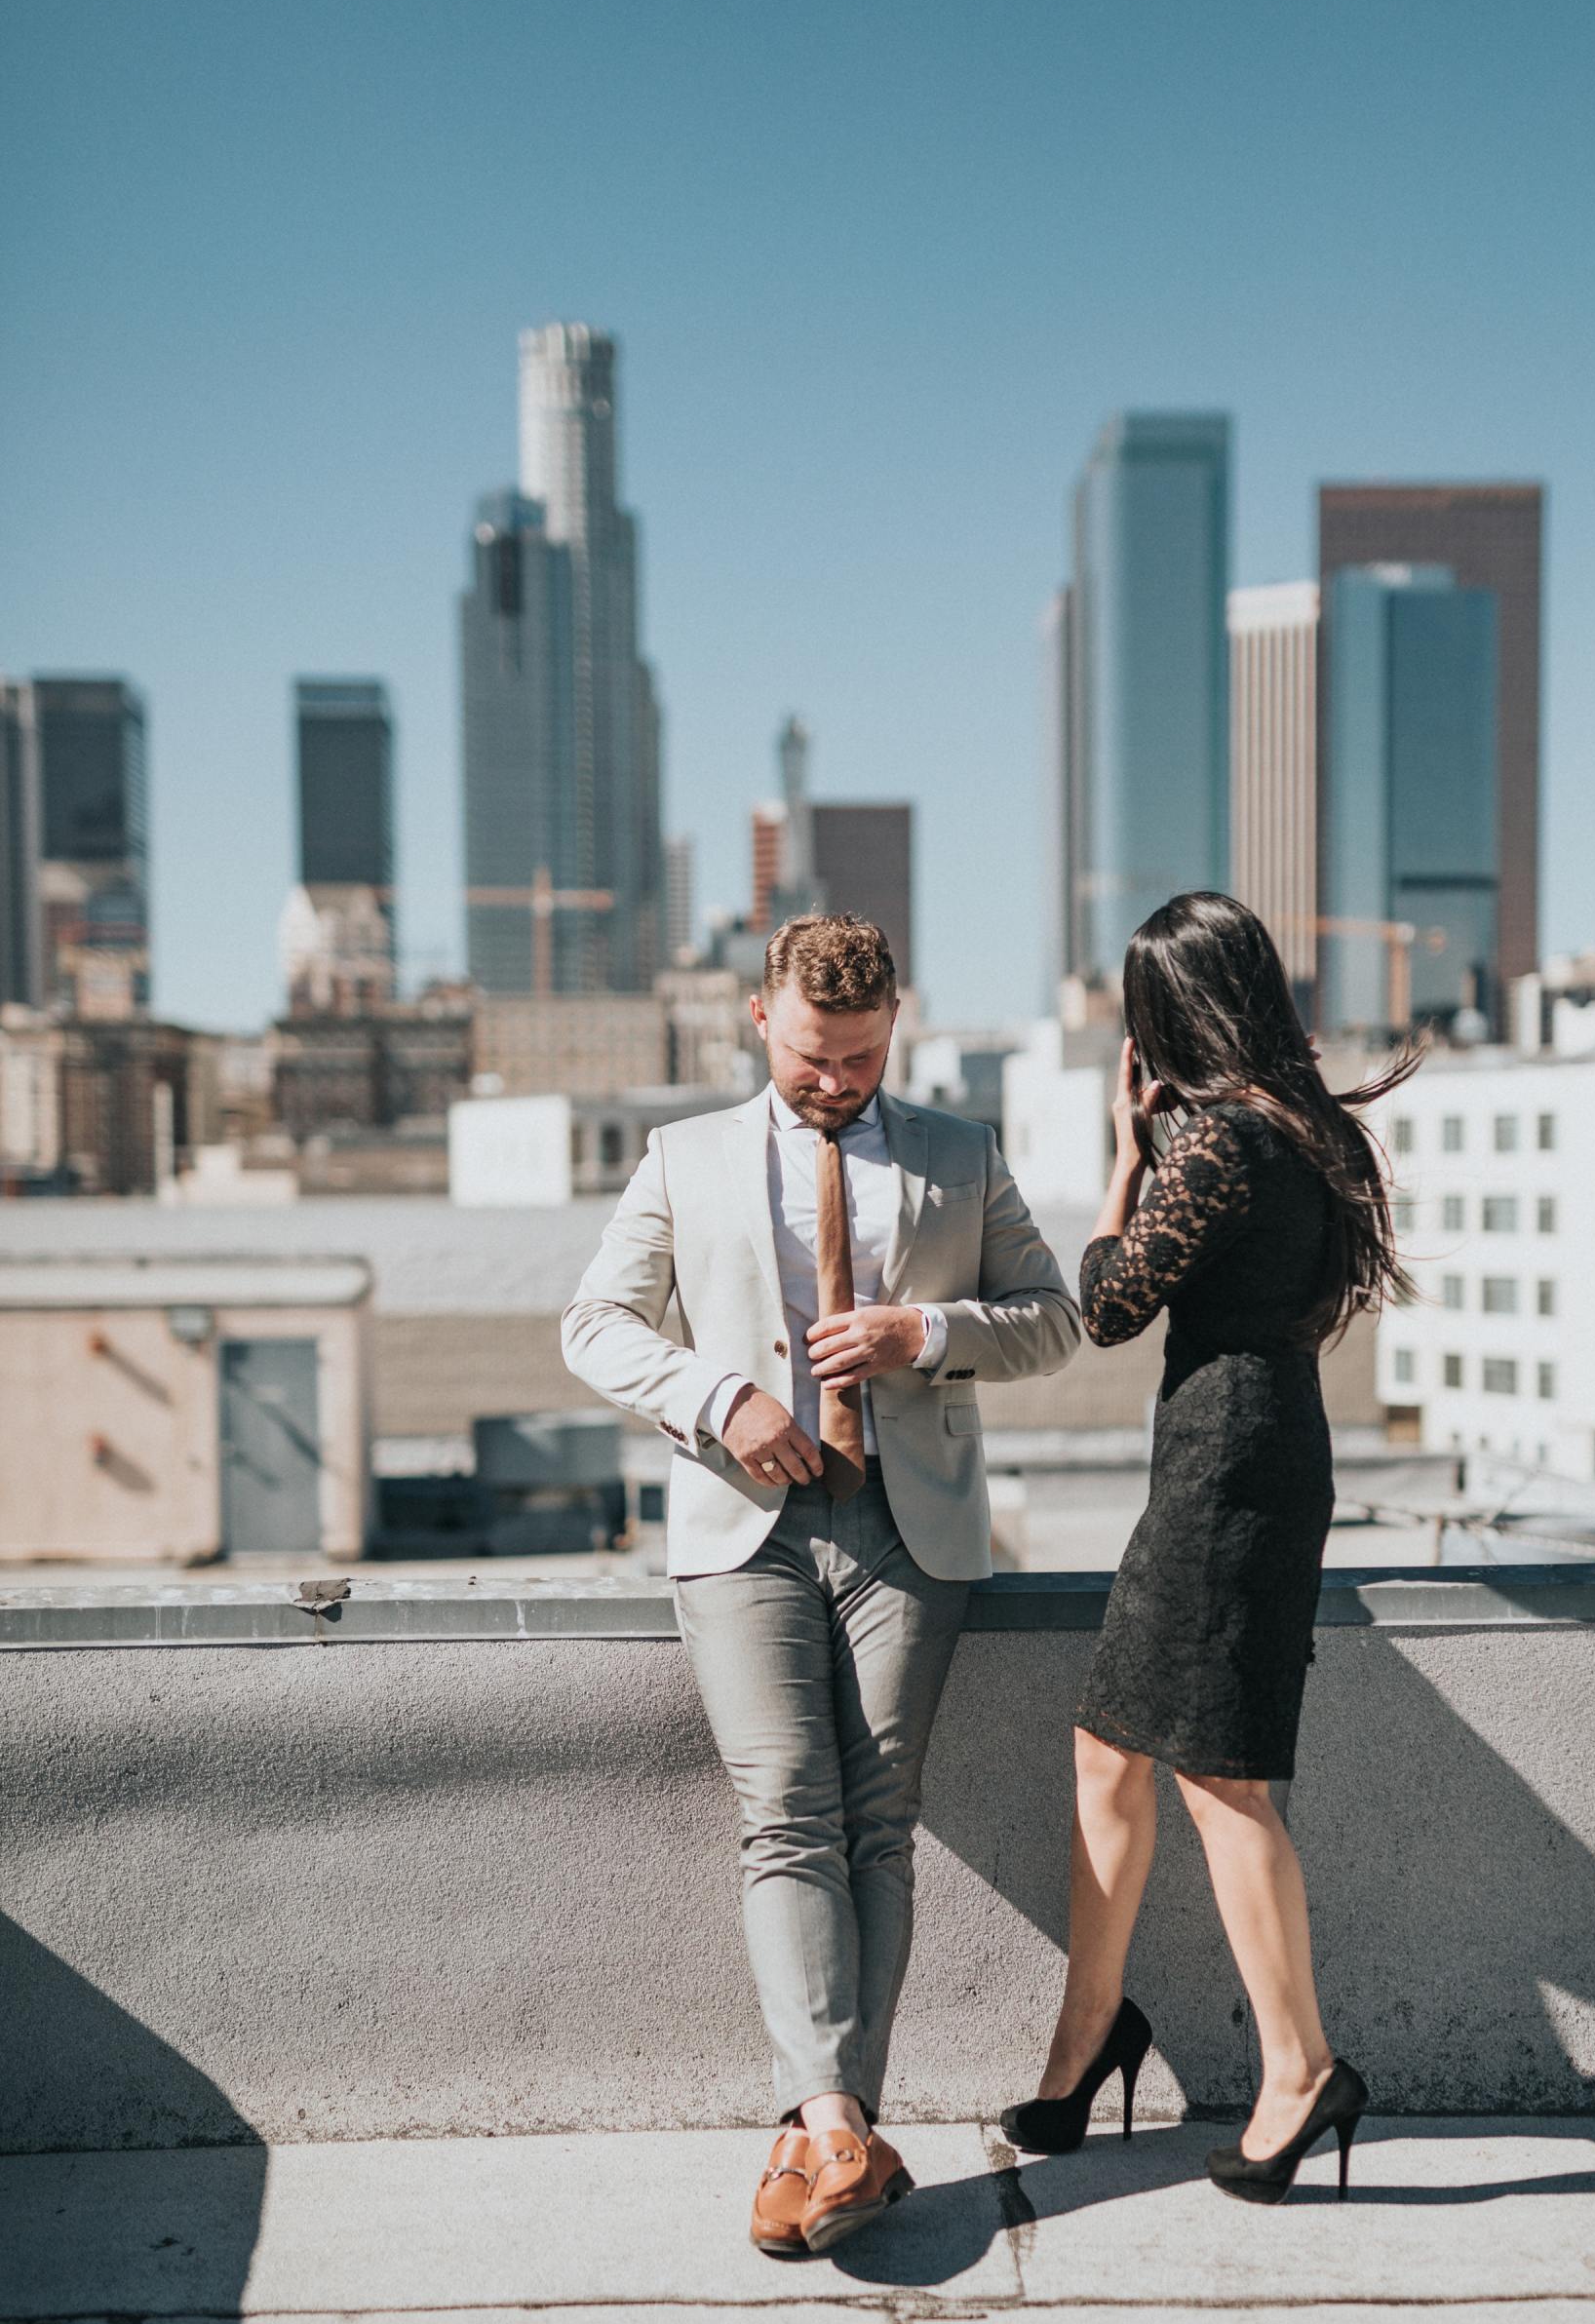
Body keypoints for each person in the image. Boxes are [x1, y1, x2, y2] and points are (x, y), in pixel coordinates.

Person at [564, 913, 1079, 2255]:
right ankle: (840, 2122)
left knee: (878, 1822)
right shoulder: (682, 1160)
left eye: (857, 1059)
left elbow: (1056, 1320)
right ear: (758, 1019)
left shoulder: (962, 1156)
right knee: (783, 1810)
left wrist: (930, 1333)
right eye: (810, 1058)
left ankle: (821, 2136)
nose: (835, 1083)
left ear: (893, 1026)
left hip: (913, 1534)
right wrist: (718, 1396)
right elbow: (595, 1325)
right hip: (747, 1530)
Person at [1000, 891, 1412, 2204]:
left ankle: (1301, 2069)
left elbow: (1110, 1305)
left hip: (1227, 1471)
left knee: (1220, 1776)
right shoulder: (1309, 1129)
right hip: (1250, 1452)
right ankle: (1088, 2040)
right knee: (1110, 1743)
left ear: (1169, 1017)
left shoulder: (1220, 1143)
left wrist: (1124, 1167)